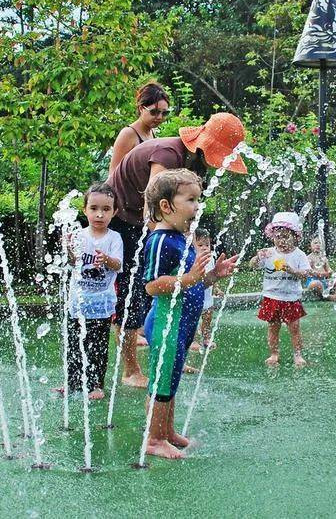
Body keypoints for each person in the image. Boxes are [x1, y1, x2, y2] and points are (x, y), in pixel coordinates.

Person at [106, 112, 247, 388]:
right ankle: (131, 370)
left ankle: (169, 359)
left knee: (164, 287)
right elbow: (153, 201)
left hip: (141, 220)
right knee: (133, 293)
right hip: (122, 219)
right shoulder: (169, 154)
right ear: (204, 147)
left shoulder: (189, 163)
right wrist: (160, 240)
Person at [141, 169, 238, 459]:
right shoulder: (160, 241)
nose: (197, 207)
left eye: (199, 199)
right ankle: (154, 439)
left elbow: (193, 283)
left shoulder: (183, 238)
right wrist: (191, 278)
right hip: (165, 324)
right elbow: (152, 286)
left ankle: (167, 431)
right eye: (191, 200)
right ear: (166, 207)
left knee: (171, 379)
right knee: (161, 382)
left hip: (183, 324)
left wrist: (212, 277)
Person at [63, 183, 123, 401]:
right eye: (94, 208)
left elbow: (118, 265)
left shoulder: (114, 238)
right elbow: (71, 262)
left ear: (114, 212)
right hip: (77, 303)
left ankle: (96, 384)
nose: (100, 214)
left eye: (106, 209)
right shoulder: (79, 235)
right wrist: (69, 250)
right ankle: (72, 381)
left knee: (98, 346)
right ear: (85, 209)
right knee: (74, 344)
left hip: (102, 305)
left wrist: (106, 259)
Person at [251, 212, 310, 368]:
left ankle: (298, 355)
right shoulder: (269, 253)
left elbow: (305, 275)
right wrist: (257, 258)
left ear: (295, 237)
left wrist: (292, 271)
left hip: (291, 298)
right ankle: (274, 354)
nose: (281, 241)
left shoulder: (299, 255)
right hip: (272, 297)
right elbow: (252, 265)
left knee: (295, 328)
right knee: (273, 327)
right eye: (278, 237)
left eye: (285, 237)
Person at [108, 82, 170, 176]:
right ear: (141, 108)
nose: (160, 117)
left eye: (164, 113)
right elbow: (113, 175)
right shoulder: (128, 134)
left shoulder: (151, 132)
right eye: (154, 112)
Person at [190, 228, 222, 352]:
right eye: (200, 245)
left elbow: (212, 275)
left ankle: (206, 337)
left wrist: (216, 288)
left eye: (207, 245)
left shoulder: (211, 258)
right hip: (195, 295)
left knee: (208, 317)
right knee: (192, 318)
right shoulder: (192, 259)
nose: (204, 248)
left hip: (207, 295)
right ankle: (192, 339)